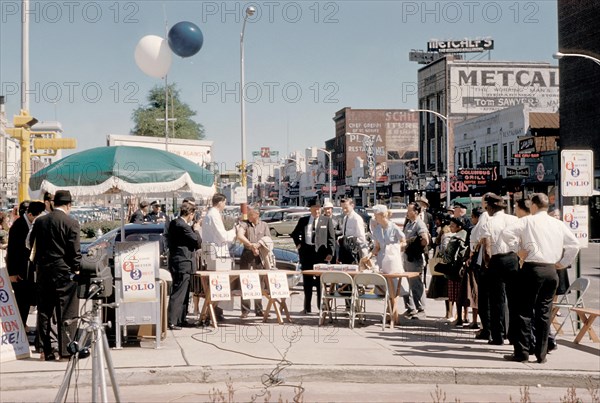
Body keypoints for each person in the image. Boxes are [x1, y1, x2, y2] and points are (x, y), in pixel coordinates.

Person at [501, 193, 580, 363]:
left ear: (533, 206)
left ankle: (522, 352)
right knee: (544, 313)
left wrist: (517, 249)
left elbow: (506, 233)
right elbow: (574, 244)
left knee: (525, 311)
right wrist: (562, 263)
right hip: (551, 270)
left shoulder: (527, 221)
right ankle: (541, 354)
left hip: (532, 268)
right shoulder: (557, 224)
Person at [30, 190, 81, 361]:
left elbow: (29, 243)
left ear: (53, 203)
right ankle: (66, 351)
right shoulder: (71, 222)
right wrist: (76, 269)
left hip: (43, 271)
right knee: (67, 311)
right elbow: (75, 251)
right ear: (68, 205)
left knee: (44, 312)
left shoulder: (40, 221)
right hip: (63, 271)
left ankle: (46, 351)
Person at [481, 193, 519, 345]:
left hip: (497, 260)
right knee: (514, 299)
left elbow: (487, 247)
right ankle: (514, 334)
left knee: (497, 300)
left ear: (490, 207)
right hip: (512, 257)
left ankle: (498, 335)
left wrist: (487, 263)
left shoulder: (489, 222)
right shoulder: (514, 219)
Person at [291, 199, 335, 314]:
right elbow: (294, 234)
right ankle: (307, 307)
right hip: (307, 253)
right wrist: (299, 245)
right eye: (314, 207)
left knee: (321, 282)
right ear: (310, 209)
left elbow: (331, 238)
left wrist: (330, 253)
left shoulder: (326, 220)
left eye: (319, 207)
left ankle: (321, 307)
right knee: (307, 282)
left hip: (321, 255)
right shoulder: (304, 220)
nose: (317, 210)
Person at [6, 201, 45, 327]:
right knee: (21, 301)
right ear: (29, 214)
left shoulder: (32, 224)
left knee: (27, 300)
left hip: (28, 271)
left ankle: (22, 325)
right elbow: (12, 251)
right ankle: (19, 327)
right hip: (19, 272)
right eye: (36, 217)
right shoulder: (18, 226)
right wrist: (12, 273)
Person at [167, 202, 202, 330]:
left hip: (180, 262)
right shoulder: (182, 225)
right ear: (190, 214)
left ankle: (181, 318)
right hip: (183, 262)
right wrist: (196, 229)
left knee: (185, 292)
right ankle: (172, 320)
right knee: (179, 292)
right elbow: (197, 241)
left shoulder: (175, 223)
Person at [201, 193, 236, 321]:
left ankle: (216, 310)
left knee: (217, 284)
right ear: (220, 202)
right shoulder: (214, 215)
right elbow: (222, 236)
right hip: (218, 253)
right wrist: (234, 231)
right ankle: (215, 311)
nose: (225, 205)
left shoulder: (209, 215)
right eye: (225, 202)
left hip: (214, 253)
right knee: (220, 283)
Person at [236, 208, 270, 318]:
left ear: (257, 214)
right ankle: (245, 310)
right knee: (245, 281)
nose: (248, 217)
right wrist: (251, 245)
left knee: (259, 283)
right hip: (247, 254)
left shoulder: (264, 225)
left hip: (259, 256)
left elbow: (268, 239)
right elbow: (240, 236)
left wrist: (258, 246)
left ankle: (259, 309)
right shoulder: (245, 224)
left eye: (251, 215)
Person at [402, 201, 429, 319]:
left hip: (415, 258)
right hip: (406, 257)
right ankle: (410, 308)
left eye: (409, 210)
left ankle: (421, 309)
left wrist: (416, 248)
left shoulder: (419, 224)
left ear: (416, 212)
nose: (407, 212)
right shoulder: (409, 224)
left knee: (416, 284)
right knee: (407, 284)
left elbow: (425, 240)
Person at [338, 198, 368, 264]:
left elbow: (361, 238)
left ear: (352, 206)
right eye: (342, 208)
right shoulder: (345, 218)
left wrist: (351, 241)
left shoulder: (356, 219)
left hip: (354, 251)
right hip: (346, 251)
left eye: (346, 208)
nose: (344, 210)